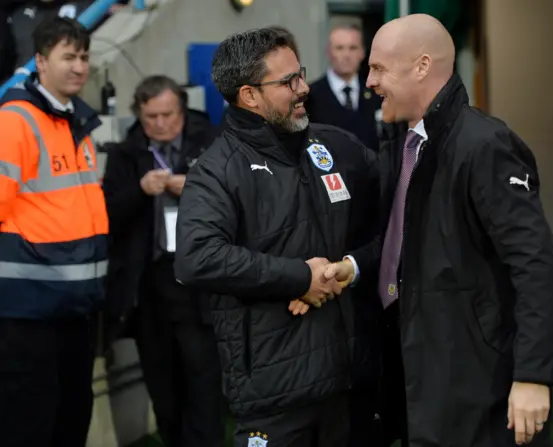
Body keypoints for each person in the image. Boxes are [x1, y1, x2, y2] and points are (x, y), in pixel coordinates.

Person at [326, 14, 553, 447]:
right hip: (419, 375)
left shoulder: (484, 144)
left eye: (379, 68)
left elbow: (536, 266)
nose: (369, 82)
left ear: (420, 66)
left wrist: (532, 376)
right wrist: (354, 267)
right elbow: (407, 242)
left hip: (475, 385)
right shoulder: (406, 144)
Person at [174, 28, 380, 447]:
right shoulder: (217, 170)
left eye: (300, 74)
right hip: (274, 394)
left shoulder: (336, 145)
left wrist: (350, 268)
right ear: (249, 95)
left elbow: (396, 222)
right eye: (288, 82)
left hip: (350, 381)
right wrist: (298, 278)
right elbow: (196, 257)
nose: (303, 88)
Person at [102, 75, 226, 447]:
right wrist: (140, 190)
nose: (158, 124)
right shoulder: (126, 153)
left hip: (199, 289)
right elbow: (106, 215)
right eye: (149, 116)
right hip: (149, 289)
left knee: (202, 388)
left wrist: (195, 186)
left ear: (182, 111)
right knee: (164, 392)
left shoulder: (212, 142)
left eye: (166, 115)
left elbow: (239, 202)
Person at [0, 17, 107, 446]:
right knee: (30, 424)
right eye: (68, 57)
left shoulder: (73, 121)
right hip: (27, 310)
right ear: (40, 62)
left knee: (71, 418)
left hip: (74, 305)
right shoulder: (16, 121)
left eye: (84, 56)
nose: (79, 66)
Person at [306, 23, 381, 151]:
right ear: (329, 52)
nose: (346, 55)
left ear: (362, 52)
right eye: (339, 48)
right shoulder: (310, 96)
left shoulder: (377, 92)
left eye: (353, 48)